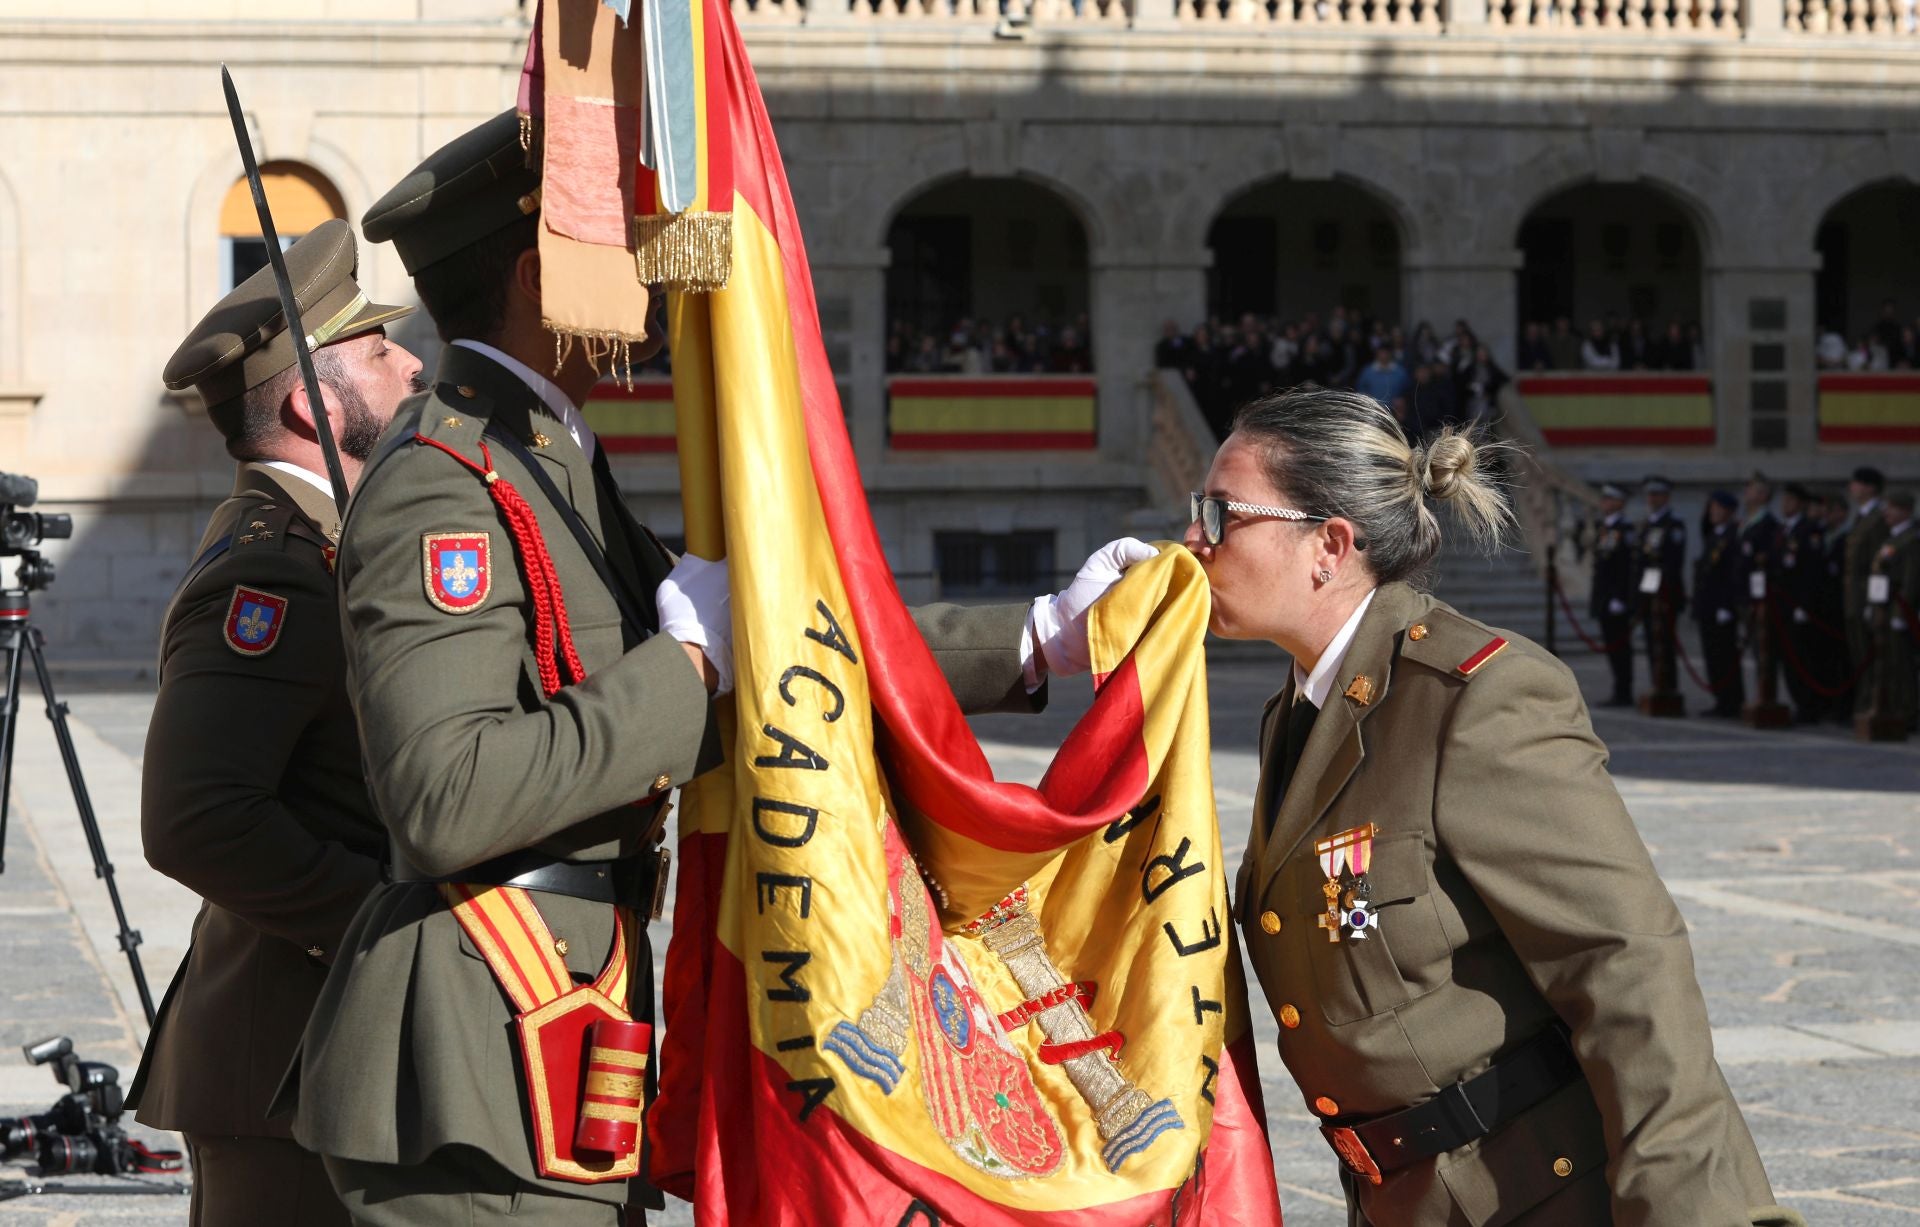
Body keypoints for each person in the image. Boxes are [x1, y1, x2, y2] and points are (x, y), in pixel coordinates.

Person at [283, 111, 1148, 1226]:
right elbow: (446, 798)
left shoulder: (546, 455)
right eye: (626, 248)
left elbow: (783, 638)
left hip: (550, 1014)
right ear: (547, 275)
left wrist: (1036, 636)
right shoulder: (445, 484)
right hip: (470, 1048)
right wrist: (688, 665)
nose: (657, 279)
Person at [1187, 386, 1801, 1227]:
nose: (1193, 539)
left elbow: (1626, 966)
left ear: (1328, 545)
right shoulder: (1296, 715)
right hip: (1402, 1198)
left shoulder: (1476, 696)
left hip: (1534, 1195)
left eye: (1222, 514)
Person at [125, 220, 423, 1226]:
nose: (412, 364)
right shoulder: (274, 566)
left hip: (317, 1053)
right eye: (380, 352)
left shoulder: (330, 542)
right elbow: (198, 818)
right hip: (282, 1065)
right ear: (310, 401)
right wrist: (385, 924)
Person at [1773, 484, 1827, 723]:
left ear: (1802, 504)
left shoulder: (1809, 531)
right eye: (1784, 500)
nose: (1786, 505)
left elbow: (1812, 573)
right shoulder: (1784, 530)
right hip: (1782, 604)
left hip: (1798, 605)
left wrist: (1803, 606)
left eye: (1791, 501)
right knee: (1788, 658)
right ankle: (1800, 702)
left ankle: (1809, 706)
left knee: (1801, 658)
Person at [1695, 491, 1747, 718]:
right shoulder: (1713, 535)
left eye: (1718, 508)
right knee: (1712, 656)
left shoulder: (1733, 536)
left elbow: (1733, 574)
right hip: (1708, 605)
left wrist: (1728, 605)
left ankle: (1732, 700)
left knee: (1725, 655)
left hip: (1722, 607)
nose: (1713, 512)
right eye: (1712, 507)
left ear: (1729, 511)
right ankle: (1721, 699)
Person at [1638, 475, 1688, 711]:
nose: (1652, 499)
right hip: (1651, 594)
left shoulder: (1673, 524)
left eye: (1657, 495)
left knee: (1665, 644)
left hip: (1666, 595)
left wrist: (1663, 591)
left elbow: (1672, 562)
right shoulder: (1648, 523)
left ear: (1666, 497)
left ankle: (1668, 686)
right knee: (1652, 641)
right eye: (1650, 495)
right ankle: (1657, 683)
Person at [1845, 466, 1891, 717]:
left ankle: (1873, 704)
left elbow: (1878, 564)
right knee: (1858, 653)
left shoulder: (1877, 519)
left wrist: (1872, 601)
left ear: (1870, 488)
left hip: (1864, 595)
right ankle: (1863, 702)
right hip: (1853, 595)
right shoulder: (1862, 516)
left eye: (1857, 483)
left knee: (1870, 655)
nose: (1852, 487)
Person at [1588, 482, 1637, 707]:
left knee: (1620, 647)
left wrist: (1620, 597)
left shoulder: (1625, 531)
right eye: (1604, 498)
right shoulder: (1605, 528)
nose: (1605, 502)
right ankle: (1619, 688)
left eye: (1610, 499)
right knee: (1612, 646)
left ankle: (1624, 691)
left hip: (1616, 598)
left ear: (1620, 503)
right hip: (1605, 597)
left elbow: (1625, 568)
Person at [1738, 473, 1782, 710]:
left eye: (1752, 489)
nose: (1747, 493)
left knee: (1764, 649)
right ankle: (1759, 694)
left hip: (1761, 598)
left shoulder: (1768, 525)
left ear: (1763, 495)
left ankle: (1766, 696)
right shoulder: (1747, 521)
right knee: (1755, 648)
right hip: (1747, 593)